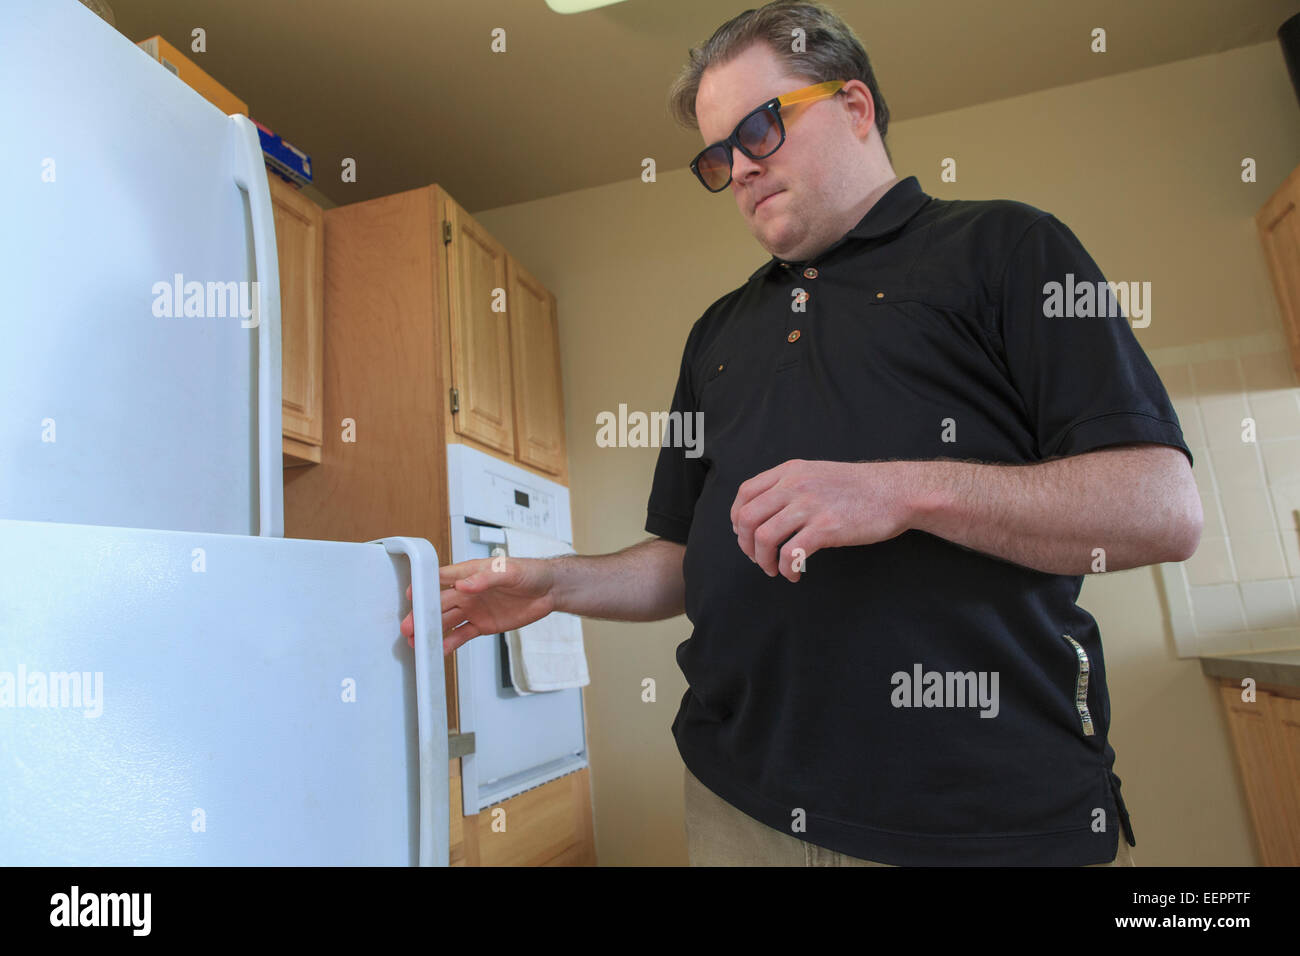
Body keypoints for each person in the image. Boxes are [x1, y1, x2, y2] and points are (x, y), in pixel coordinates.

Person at [400, 0, 1201, 866]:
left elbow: (1161, 507)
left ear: (855, 107)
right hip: (733, 802)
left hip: (976, 822)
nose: (739, 169)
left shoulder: (1007, 247)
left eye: (760, 129)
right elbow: (685, 557)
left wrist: (901, 490)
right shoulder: (717, 331)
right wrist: (553, 584)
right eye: (717, 155)